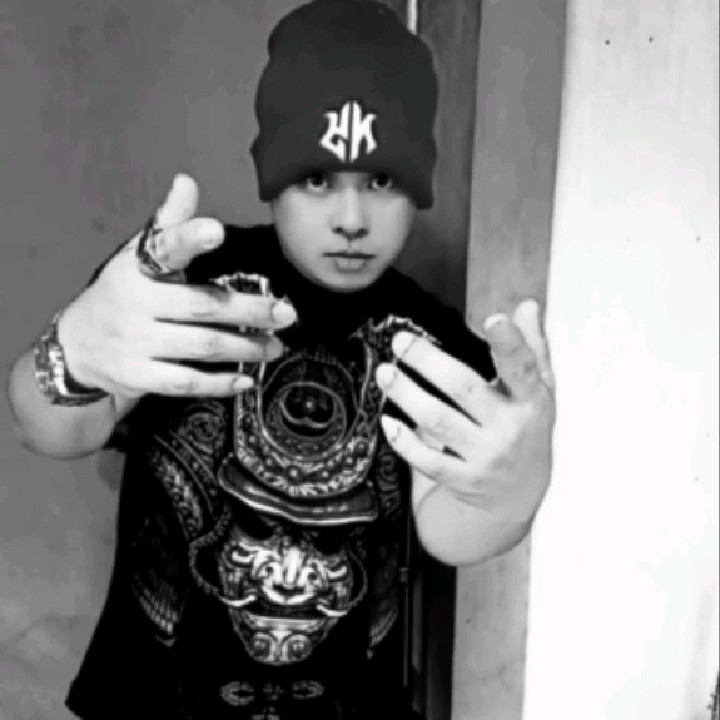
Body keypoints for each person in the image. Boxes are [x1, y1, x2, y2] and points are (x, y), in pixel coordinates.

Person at [5, 1, 555, 718]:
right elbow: (51, 430)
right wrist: (71, 356)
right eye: (318, 178)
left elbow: (446, 529)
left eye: (382, 180)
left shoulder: (426, 343)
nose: (351, 219)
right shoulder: (184, 285)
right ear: (273, 176)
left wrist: (511, 493)